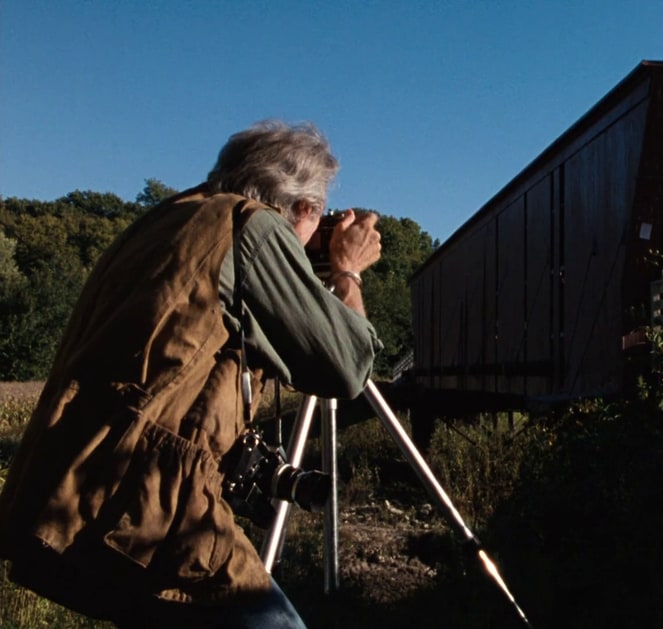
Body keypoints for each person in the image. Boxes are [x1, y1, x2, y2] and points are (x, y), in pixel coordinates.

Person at [0, 120, 383, 628]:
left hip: (71, 493)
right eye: (318, 214)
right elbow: (346, 367)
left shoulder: (170, 221)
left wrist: (301, 268)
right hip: (147, 506)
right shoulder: (253, 227)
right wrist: (346, 271)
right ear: (304, 208)